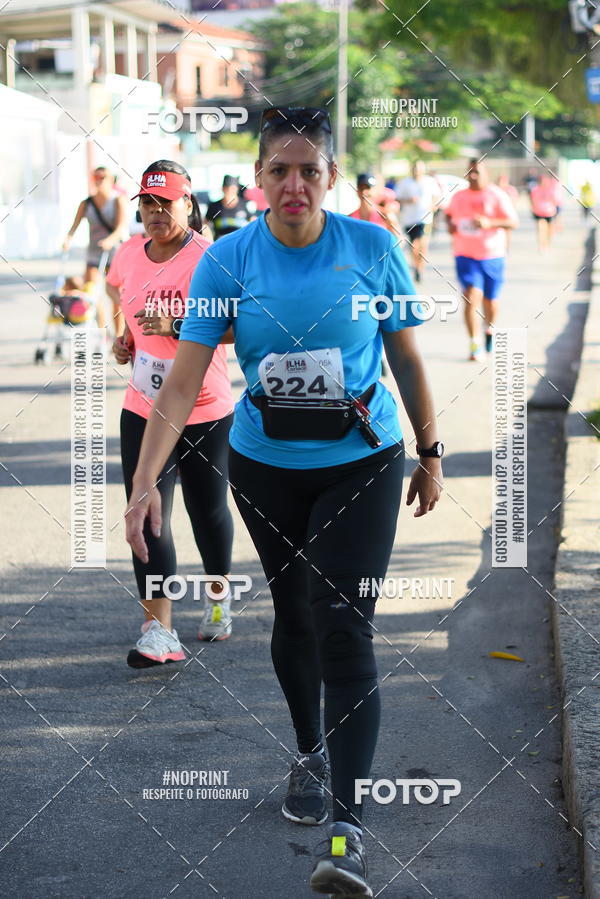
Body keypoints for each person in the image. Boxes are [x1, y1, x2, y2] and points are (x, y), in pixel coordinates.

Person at [125, 106, 443, 898]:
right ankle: (310, 745)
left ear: (331, 177)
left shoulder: (371, 247)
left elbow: (406, 351)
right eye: (279, 170)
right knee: (294, 615)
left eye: (309, 169)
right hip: (265, 466)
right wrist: (142, 482)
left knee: (345, 621)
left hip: (362, 460)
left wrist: (432, 452)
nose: (294, 183)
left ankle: (349, 831)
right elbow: (186, 373)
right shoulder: (227, 260)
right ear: (259, 180)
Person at [106, 159, 235, 667]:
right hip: (142, 405)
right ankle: (158, 629)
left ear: (188, 204)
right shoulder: (126, 255)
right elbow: (130, 313)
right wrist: (126, 343)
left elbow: (239, 325)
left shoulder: (211, 256)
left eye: (167, 202)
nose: (156, 212)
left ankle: (220, 599)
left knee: (208, 512)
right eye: (147, 203)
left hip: (203, 408)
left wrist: (178, 323)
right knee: (148, 509)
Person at [446, 158, 518, 360]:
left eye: (477, 170)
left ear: (486, 173)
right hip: (465, 255)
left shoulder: (496, 194)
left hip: (492, 256)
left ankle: (489, 329)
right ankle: (474, 343)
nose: (473, 174)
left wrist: (489, 223)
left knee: (491, 301)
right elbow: (448, 215)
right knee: (471, 297)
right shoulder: (459, 196)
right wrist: (450, 225)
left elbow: (513, 222)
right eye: (470, 171)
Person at [62, 166, 127, 329]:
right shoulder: (86, 203)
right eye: (96, 177)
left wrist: (110, 240)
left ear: (111, 180)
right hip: (94, 254)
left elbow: (121, 227)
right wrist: (68, 239)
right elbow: (74, 226)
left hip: (113, 254)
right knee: (92, 293)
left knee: (115, 296)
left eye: (103, 177)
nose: (99, 180)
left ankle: (118, 335)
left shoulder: (118, 200)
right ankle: (101, 331)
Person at [395, 160, 441, 282]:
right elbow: (397, 198)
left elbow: (437, 196)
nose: (417, 171)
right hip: (409, 219)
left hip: (425, 218)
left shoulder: (429, 182)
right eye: (415, 168)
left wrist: (434, 205)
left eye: (419, 168)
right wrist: (408, 200)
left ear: (423, 169)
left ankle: (420, 269)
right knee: (414, 246)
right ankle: (416, 266)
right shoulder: (404, 183)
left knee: (423, 244)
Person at [205, 175, 255, 239]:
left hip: (241, 242)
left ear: (237, 189)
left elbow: (254, 223)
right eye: (227, 189)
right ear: (222, 189)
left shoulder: (245, 204)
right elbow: (205, 225)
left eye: (233, 189)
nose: (230, 192)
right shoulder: (214, 206)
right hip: (221, 243)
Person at [529, 174, 558, 253]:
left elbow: (555, 200)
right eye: (541, 181)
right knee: (540, 229)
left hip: (549, 212)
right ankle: (541, 245)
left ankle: (547, 244)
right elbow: (532, 200)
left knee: (549, 230)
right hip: (539, 212)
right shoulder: (535, 190)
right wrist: (533, 208)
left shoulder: (550, 190)